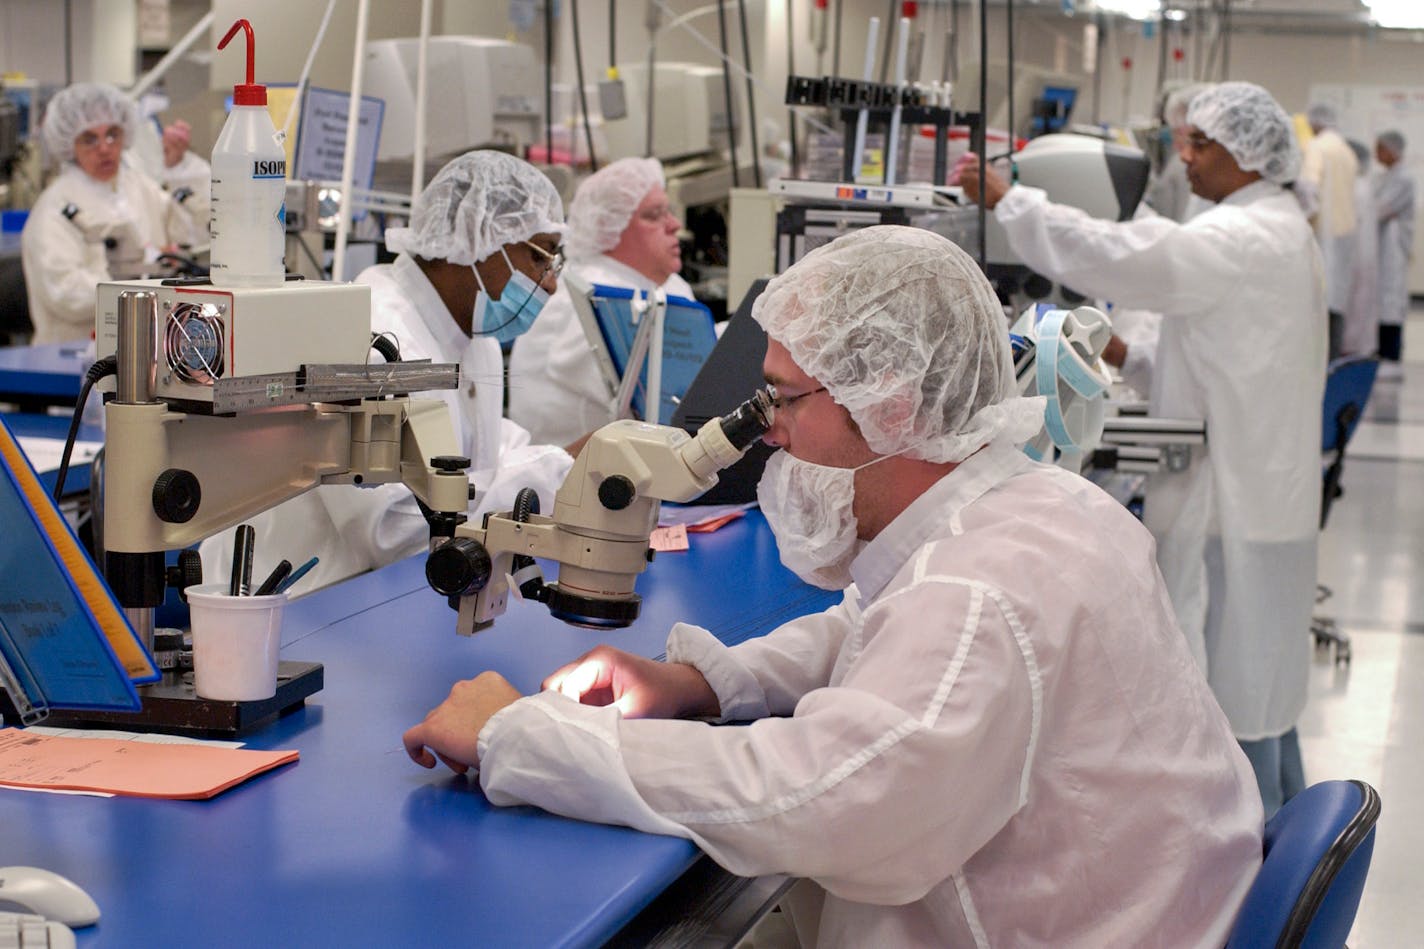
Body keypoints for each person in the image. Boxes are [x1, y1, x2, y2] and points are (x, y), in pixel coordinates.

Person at [404, 226, 1264, 947]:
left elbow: (818, 796)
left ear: (889, 406)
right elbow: (877, 625)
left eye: (780, 397)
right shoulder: (1035, 505)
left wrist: (522, 735)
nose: (764, 428)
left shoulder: (979, 594)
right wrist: (702, 681)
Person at [959, 81, 1325, 817]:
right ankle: (1294, 851)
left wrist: (1010, 202)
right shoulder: (1280, 227)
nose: (1183, 157)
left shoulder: (1239, 236)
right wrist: (1120, 347)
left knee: (1233, 683)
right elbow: (1226, 353)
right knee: (1263, 685)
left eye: (1200, 143)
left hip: (1232, 499)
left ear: (1247, 155)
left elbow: (1120, 255)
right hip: (1264, 488)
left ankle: (1253, 869)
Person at [200, 151, 573, 591]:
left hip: (388, 593)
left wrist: (572, 466)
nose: (549, 282)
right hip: (296, 603)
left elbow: (488, 452)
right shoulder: (369, 335)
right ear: (477, 238)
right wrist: (554, 475)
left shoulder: (474, 337)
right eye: (540, 256)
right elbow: (395, 527)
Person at [507, 157, 691, 448]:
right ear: (610, 228)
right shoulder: (592, 294)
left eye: (669, 212)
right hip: (568, 480)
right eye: (655, 215)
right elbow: (660, 400)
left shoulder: (658, 283)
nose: (674, 224)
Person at [21, 82, 201, 344]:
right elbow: (65, 294)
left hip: (145, 346)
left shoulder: (138, 186)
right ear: (69, 144)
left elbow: (188, 234)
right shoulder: (55, 207)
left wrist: (176, 168)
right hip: (73, 355)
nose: (104, 148)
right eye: (89, 139)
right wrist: (138, 285)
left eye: (112, 134)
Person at [1301, 102, 1359, 360]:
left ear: (1315, 122)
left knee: (1318, 301)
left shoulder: (1316, 147)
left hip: (1323, 235)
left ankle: (1320, 362)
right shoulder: (1346, 150)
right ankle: (1333, 361)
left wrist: (1296, 221)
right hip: (1345, 235)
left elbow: (1310, 191)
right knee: (1336, 300)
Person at [1374, 130, 1416, 375]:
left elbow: (1381, 209)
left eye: (1380, 148)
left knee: (1391, 301)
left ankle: (1391, 356)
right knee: (1381, 301)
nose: (1376, 153)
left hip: (1394, 249)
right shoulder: (1383, 177)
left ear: (1392, 150)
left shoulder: (1404, 179)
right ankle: (1382, 354)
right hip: (1381, 249)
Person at [1343, 139, 1380, 358]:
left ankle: (1352, 350)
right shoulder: (1365, 184)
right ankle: (1358, 348)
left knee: (1355, 304)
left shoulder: (1356, 187)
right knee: (1362, 304)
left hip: (1356, 254)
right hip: (1364, 254)